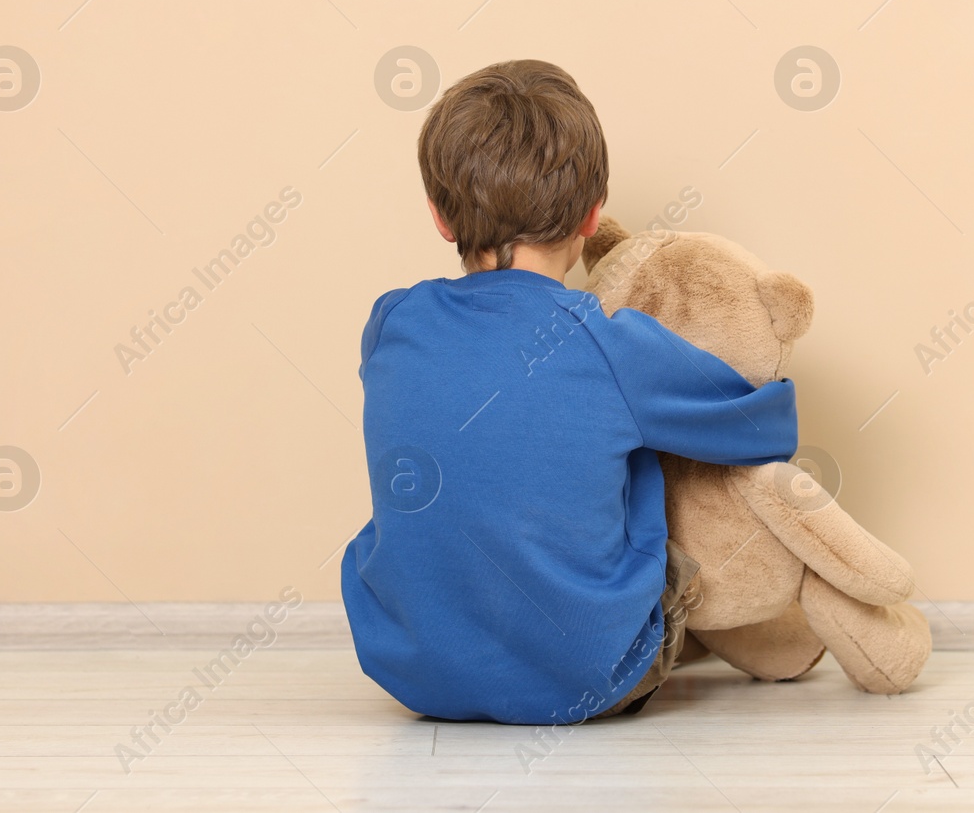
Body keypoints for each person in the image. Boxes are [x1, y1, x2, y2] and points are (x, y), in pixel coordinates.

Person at [341, 59, 798, 725]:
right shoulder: (612, 343)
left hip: (414, 671)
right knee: (652, 454)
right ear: (592, 215)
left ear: (441, 217)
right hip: (593, 681)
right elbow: (764, 431)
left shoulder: (390, 322)